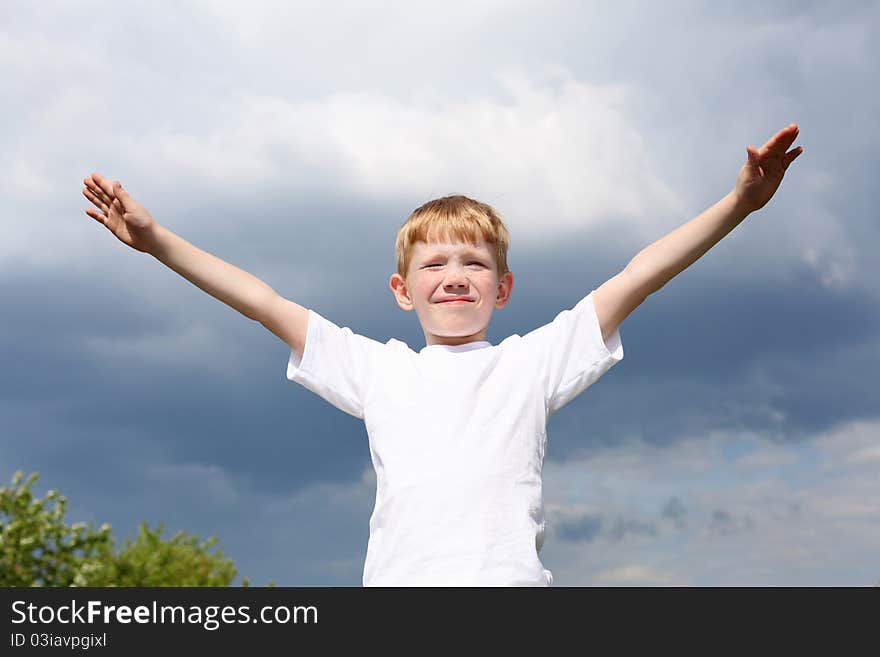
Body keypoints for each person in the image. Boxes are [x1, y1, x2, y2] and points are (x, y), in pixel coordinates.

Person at [82, 124, 803, 586]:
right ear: (402, 290)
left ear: (503, 287)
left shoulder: (531, 361)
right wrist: (158, 242)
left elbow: (636, 277)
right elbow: (263, 300)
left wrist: (737, 204)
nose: (454, 273)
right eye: (433, 264)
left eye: (473, 262)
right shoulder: (377, 368)